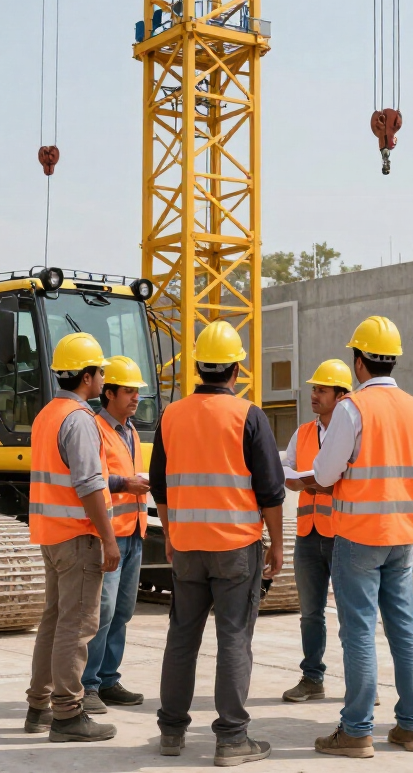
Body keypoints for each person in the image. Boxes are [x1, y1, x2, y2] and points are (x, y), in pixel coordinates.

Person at [149, 320, 286, 767]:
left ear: (198, 368)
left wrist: (170, 534)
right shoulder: (249, 416)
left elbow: (160, 486)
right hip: (235, 548)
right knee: (233, 640)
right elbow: (270, 491)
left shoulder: (172, 415)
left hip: (186, 546)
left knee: (182, 638)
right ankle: (231, 740)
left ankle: (171, 731)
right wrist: (277, 544)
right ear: (235, 369)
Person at [297, 315, 413, 757]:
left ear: (358, 362)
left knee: (358, 631)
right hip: (402, 534)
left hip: (358, 535)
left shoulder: (353, 408)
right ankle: (411, 726)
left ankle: (356, 730)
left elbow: (326, 471)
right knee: (404, 628)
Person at [24, 332, 120, 743]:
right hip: (78, 537)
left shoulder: (49, 414)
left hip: (51, 535)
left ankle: (38, 708)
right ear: (87, 376)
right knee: (76, 625)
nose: (102, 378)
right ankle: (67, 714)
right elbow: (88, 484)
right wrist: (109, 540)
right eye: (100, 371)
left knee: (53, 620)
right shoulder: (80, 420)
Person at [81, 355, 152, 713]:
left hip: (134, 532)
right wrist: (125, 483)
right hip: (109, 534)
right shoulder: (94, 428)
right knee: (102, 611)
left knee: (122, 610)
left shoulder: (132, 431)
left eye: (137, 392)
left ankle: (108, 679)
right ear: (108, 393)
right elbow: (90, 479)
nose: (135, 398)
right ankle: (88, 685)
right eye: (128, 391)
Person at [281, 359, 352, 703]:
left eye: (321, 390)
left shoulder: (352, 429)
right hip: (308, 534)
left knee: (352, 614)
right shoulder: (304, 433)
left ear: (341, 396)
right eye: (314, 388)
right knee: (310, 613)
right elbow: (286, 464)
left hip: (341, 533)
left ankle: (360, 681)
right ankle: (312, 678)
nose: (314, 395)